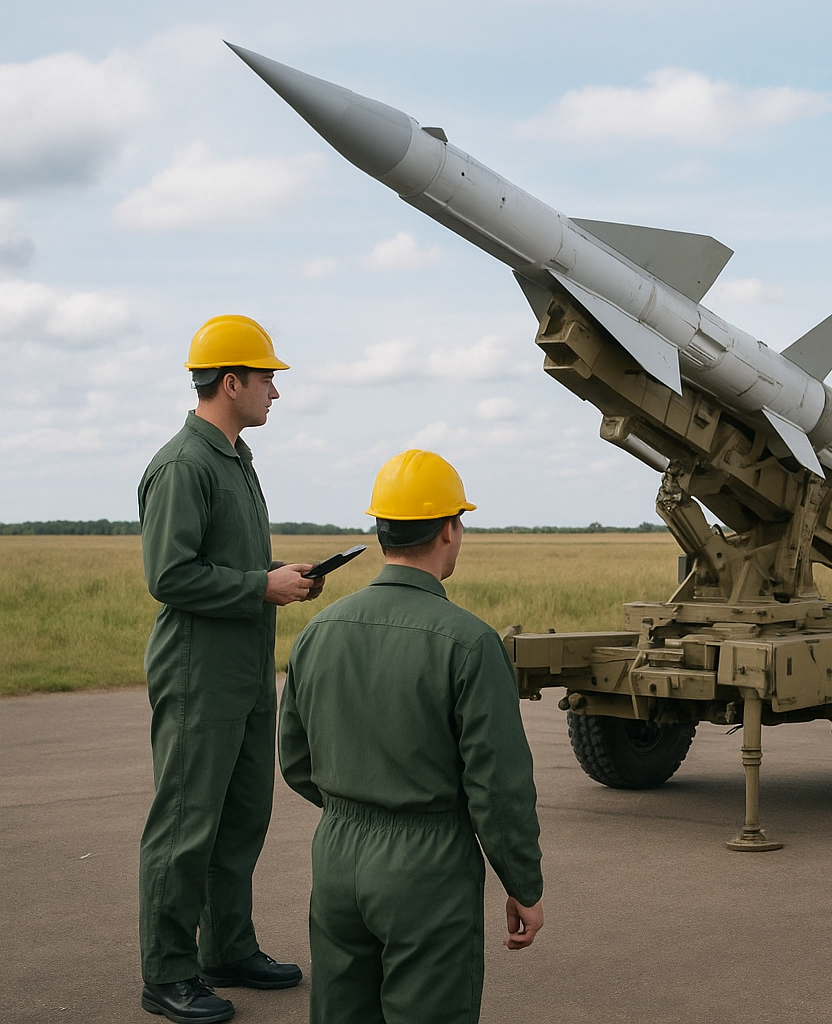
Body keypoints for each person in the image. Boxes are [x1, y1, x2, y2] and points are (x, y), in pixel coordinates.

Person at [278, 449, 544, 1024]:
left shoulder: (318, 631)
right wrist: (523, 882)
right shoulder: (470, 642)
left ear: (381, 531)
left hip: (336, 856)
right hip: (428, 867)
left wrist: (355, 807)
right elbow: (498, 785)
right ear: (449, 529)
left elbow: (295, 759)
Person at [138, 315, 319, 1024]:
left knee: (241, 817)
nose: (275, 391)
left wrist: (276, 576)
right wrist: (257, 588)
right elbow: (171, 574)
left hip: (245, 671)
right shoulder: (184, 465)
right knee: (185, 826)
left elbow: (223, 566)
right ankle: (167, 974)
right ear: (231, 381)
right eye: (267, 377)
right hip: (198, 675)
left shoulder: (236, 459)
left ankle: (226, 949)